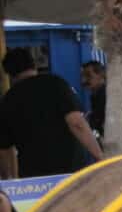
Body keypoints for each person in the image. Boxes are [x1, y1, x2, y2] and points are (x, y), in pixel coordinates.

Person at [0, 48, 104, 178]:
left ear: (9, 74)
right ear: (34, 64)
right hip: (71, 171)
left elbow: (5, 149)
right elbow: (76, 123)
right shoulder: (56, 84)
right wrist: (100, 157)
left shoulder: (7, 101)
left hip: (34, 177)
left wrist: (11, 181)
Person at [81, 60, 107, 140]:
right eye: (83, 76)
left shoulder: (106, 95)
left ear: (101, 75)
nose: (83, 80)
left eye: (88, 76)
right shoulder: (96, 95)